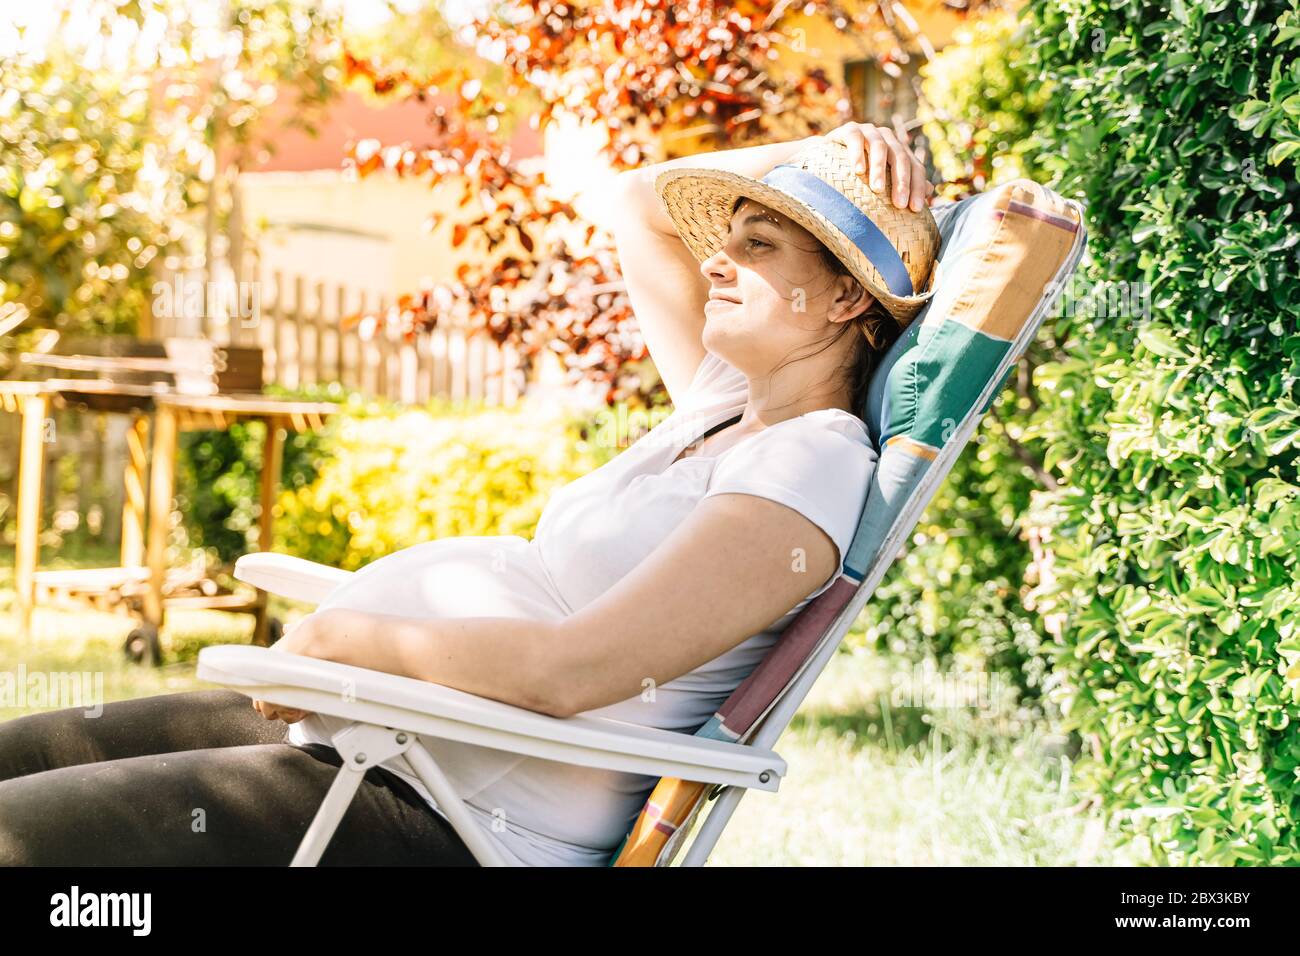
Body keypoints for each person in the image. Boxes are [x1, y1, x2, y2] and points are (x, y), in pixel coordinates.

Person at [0, 121, 939, 866]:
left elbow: (569, 673)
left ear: (849, 299)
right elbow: (632, 204)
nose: (714, 264)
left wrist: (339, 638)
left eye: (760, 242)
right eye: (725, 240)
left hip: (449, 813)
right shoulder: (726, 405)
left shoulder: (809, 465)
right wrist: (814, 156)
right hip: (381, 736)